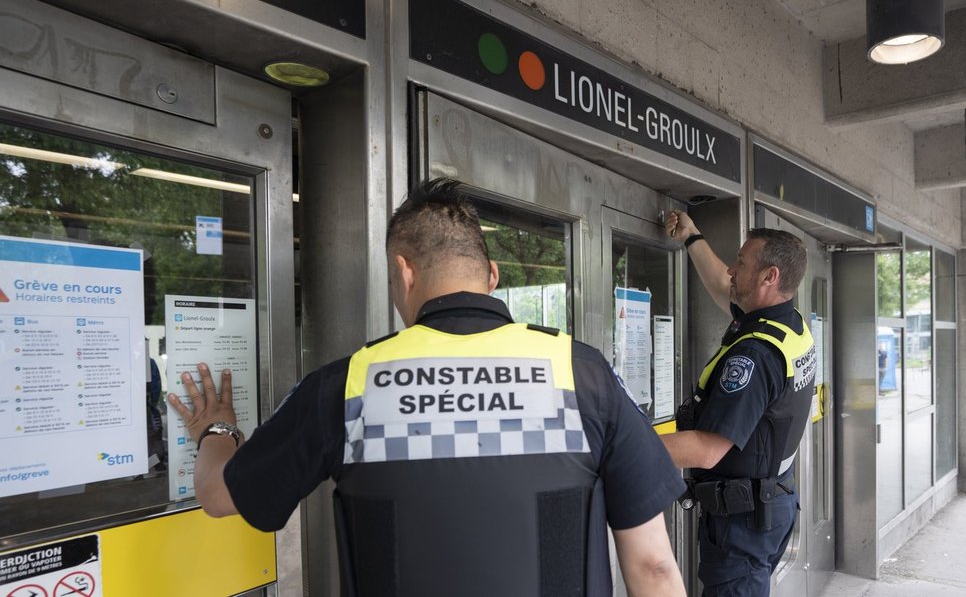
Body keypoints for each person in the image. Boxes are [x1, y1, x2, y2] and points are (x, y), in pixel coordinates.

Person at [168, 178, 687, 597]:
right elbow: (654, 567)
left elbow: (218, 495)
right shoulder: (583, 374)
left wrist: (216, 428)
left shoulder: (348, 385)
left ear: (403, 271)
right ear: (492, 275)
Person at [660, 210, 816, 597]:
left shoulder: (757, 354)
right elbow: (720, 285)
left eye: (741, 262)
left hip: (742, 525)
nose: (731, 269)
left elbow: (709, 449)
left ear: (769, 277)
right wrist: (692, 236)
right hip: (767, 505)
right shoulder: (787, 324)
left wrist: (615, 446)